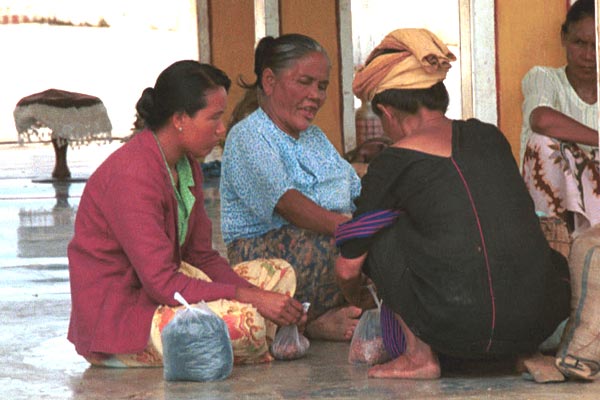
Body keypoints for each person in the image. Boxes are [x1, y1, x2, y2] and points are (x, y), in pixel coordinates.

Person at [336, 28, 571, 380]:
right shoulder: (490, 136)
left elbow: (347, 268)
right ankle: (522, 352)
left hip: (458, 332)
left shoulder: (393, 162)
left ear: (386, 111)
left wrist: (360, 300)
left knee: (378, 234)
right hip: (534, 325)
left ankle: (419, 357)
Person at [67, 60, 306, 367]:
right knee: (248, 321)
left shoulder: (185, 164)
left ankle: (261, 337)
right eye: (214, 119)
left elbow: (201, 256)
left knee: (279, 274)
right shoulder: (132, 175)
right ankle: (261, 338)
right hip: (123, 318)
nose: (221, 131)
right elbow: (162, 284)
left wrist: (253, 293)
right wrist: (252, 299)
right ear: (180, 119)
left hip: (161, 293)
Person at [220, 33, 362, 341]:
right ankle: (309, 322)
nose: (315, 94)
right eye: (304, 82)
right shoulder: (249, 136)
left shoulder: (315, 138)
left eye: (321, 86)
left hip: (328, 240)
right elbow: (288, 205)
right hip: (271, 260)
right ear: (270, 81)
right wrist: (353, 229)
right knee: (347, 246)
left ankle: (327, 318)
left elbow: (354, 186)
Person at [520, 0, 599, 236]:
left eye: (596, 45)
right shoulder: (544, 78)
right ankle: (555, 245)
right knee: (542, 142)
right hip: (560, 209)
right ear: (563, 38)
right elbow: (541, 119)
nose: (588, 55)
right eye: (579, 43)